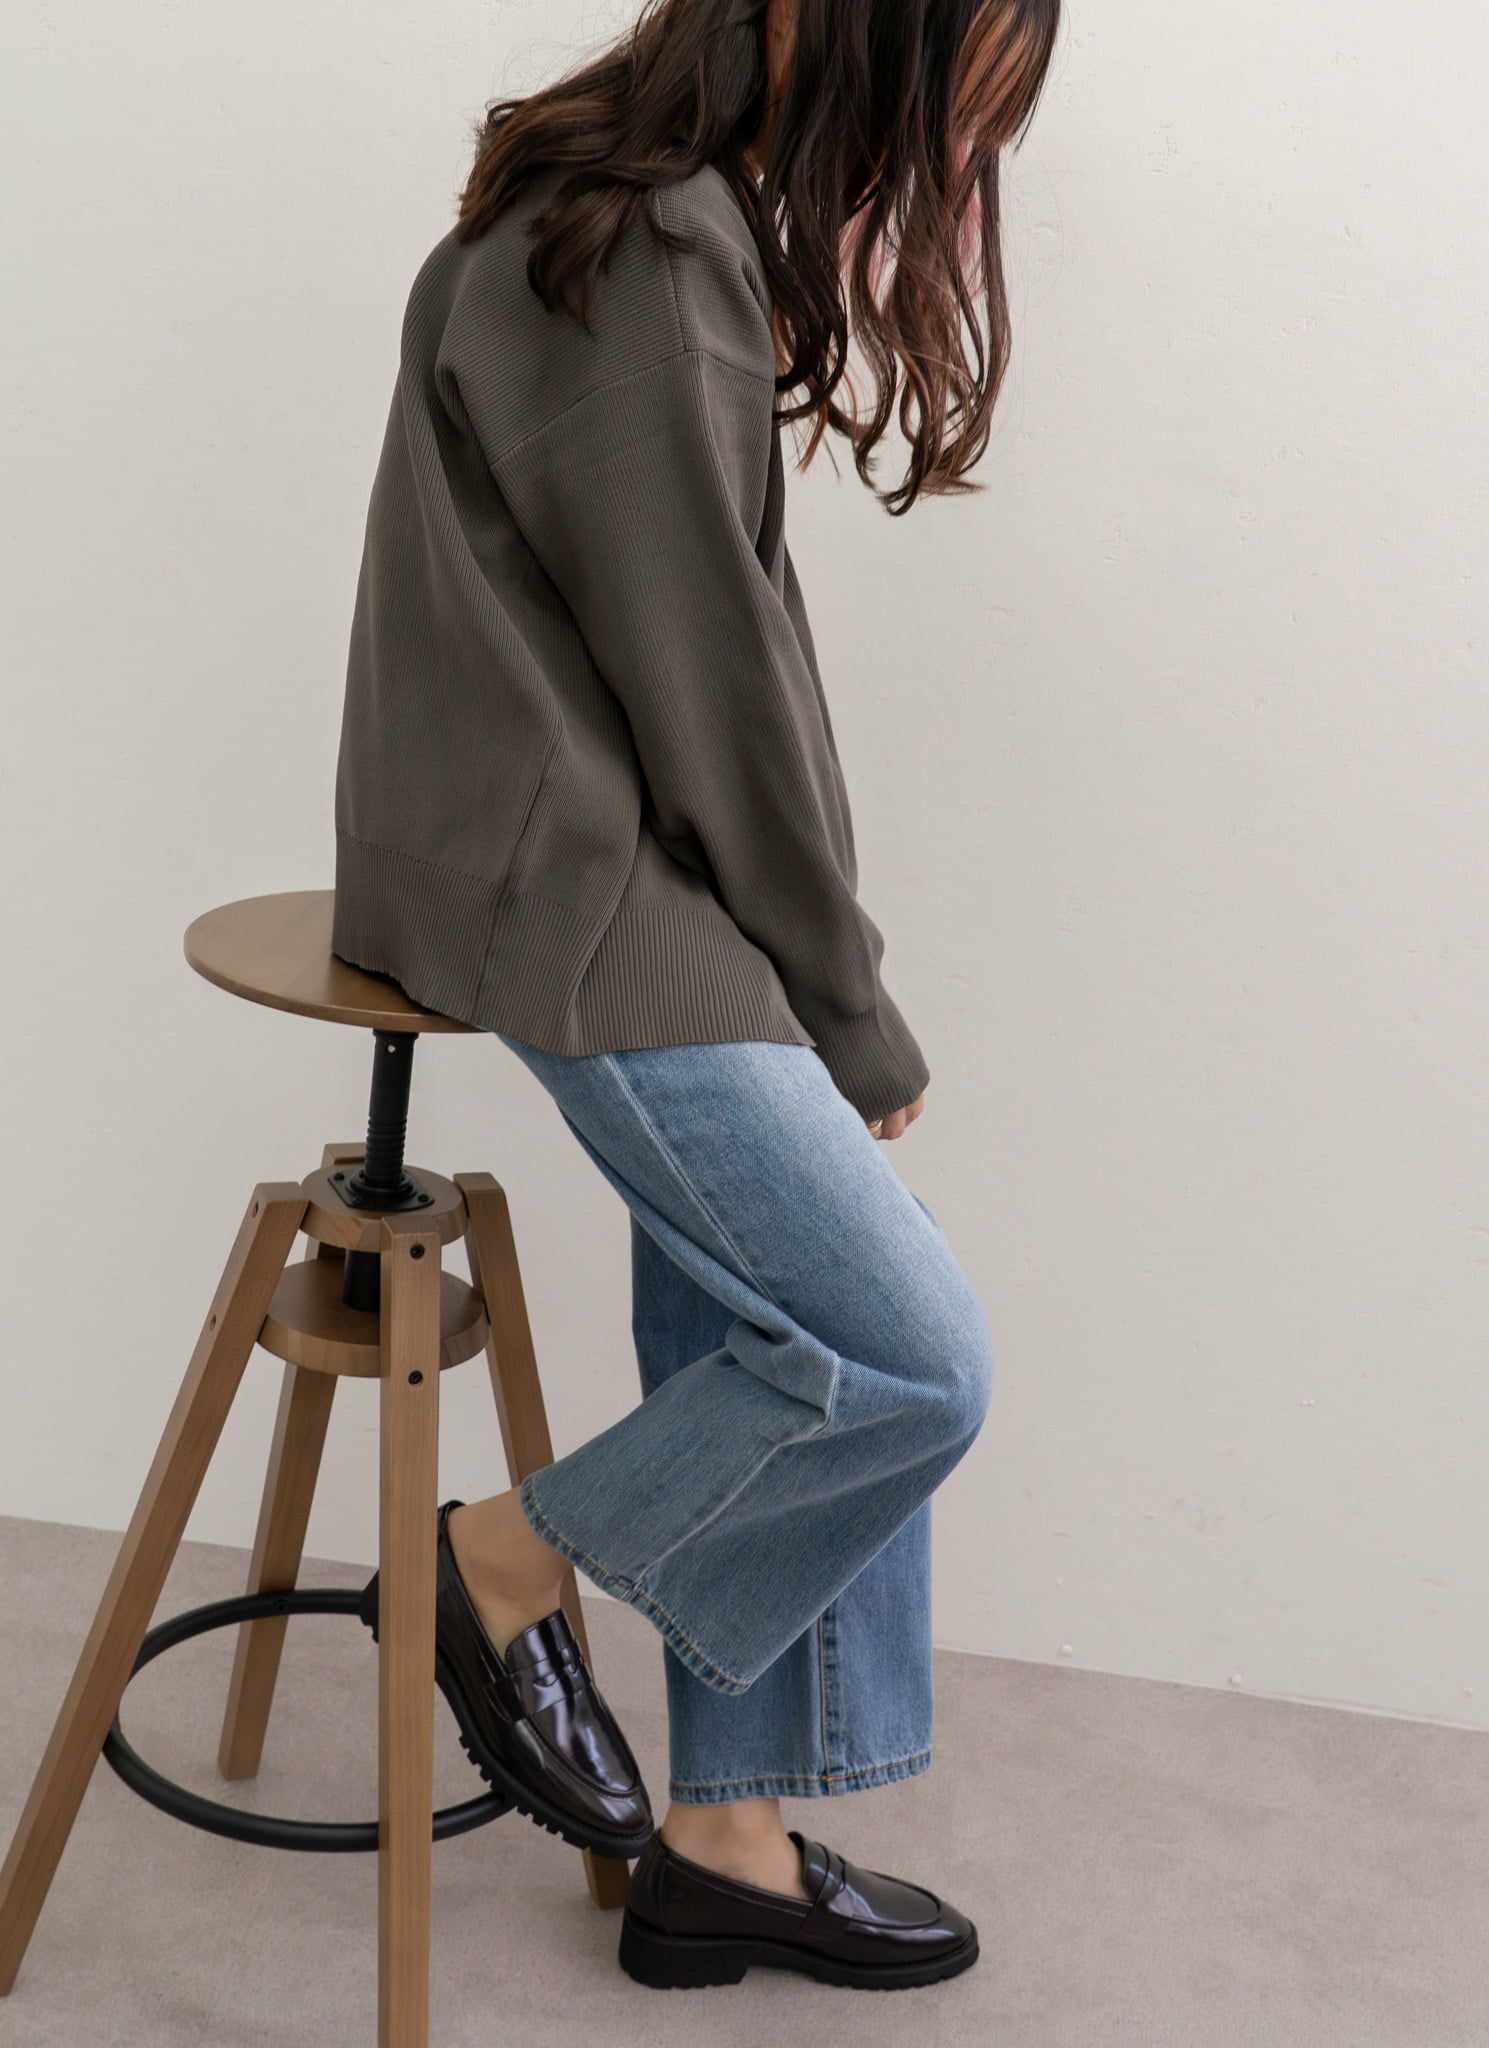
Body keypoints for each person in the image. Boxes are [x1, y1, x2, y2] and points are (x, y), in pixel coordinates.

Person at [332, 0, 1059, 1994]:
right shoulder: (645, 246)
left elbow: (720, 666)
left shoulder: (658, 214)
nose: (971, 140)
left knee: (784, 1310)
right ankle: (493, 1567)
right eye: (970, 83)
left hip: (596, 845)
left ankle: (725, 1844)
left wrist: (825, 966)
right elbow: (713, 684)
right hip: (564, 875)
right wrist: (844, 997)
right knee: (908, 1358)